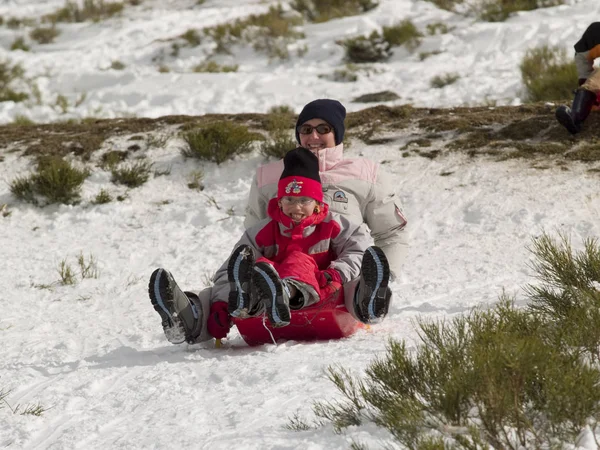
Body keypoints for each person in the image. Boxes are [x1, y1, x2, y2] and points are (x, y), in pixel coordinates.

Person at [148, 98, 408, 345]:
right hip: (272, 279)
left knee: (347, 283)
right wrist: (227, 294)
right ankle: (190, 315)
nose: (313, 136)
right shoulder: (268, 177)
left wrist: (381, 276)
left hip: (336, 279)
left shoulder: (364, 175)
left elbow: (390, 232)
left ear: (338, 133)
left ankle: (369, 299)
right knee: (239, 280)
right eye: (306, 129)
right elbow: (249, 243)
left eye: (323, 129)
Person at [556, 22, 600, 134]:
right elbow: (581, 57)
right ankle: (575, 118)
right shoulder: (594, 33)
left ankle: (576, 117)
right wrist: (586, 94)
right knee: (593, 81)